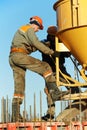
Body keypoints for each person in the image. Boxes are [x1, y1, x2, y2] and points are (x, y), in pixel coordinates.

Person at [9, 16, 69, 122]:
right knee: (45, 67)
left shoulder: (22, 30)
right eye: (38, 28)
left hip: (13, 57)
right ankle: (55, 92)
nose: (37, 31)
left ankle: (15, 115)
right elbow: (36, 43)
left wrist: (41, 46)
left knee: (19, 87)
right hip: (20, 55)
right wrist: (51, 52)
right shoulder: (29, 29)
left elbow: (33, 45)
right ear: (35, 24)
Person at [41, 26, 81, 121]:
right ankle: (50, 113)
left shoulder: (59, 43)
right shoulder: (44, 43)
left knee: (74, 88)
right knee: (49, 91)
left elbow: (68, 54)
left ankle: (74, 96)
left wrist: (63, 45)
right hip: (49, 71)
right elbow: (40, 46)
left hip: (61, 69)